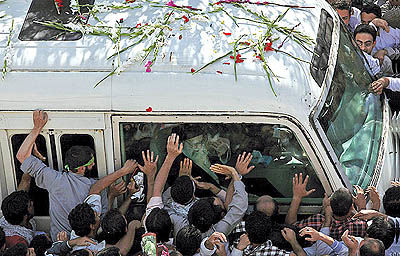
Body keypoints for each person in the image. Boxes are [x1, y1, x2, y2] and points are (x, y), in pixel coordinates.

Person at [16, 110, 109, 240]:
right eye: (91, 163)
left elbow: (21, 155)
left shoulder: (55, 180)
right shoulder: (96, 187)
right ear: (82, 168)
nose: (93, 165)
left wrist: (37, 128)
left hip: (58, 242)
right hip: (87, 244)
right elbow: (102, 219)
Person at [285, 173, 367, 240]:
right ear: (351, 208)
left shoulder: (318, 220)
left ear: (330, 205)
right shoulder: (359, 225)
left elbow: (290, 227)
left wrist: (297, 197)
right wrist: (362, 208)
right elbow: (368, 226)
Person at [230, 211, 306, 256]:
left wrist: (238, 248)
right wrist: (293, 241)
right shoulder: (275, 252)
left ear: (246, 232)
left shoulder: (237, 229)